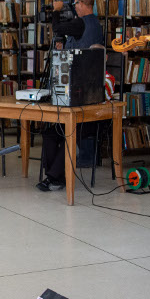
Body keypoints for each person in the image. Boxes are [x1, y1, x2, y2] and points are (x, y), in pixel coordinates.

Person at [35, 46, 106, 192]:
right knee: (49, 134)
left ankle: (53, 177)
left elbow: (104, 100)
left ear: (103, 59)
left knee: (70, 136)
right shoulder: (79, 75)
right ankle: (57, 177)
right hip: (73, 117)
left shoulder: (106, 77)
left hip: (93, 121)